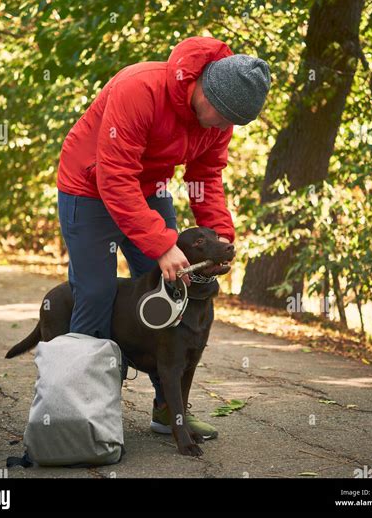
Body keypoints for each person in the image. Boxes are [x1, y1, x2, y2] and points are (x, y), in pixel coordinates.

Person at [56, 35, 271, 439]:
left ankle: (168, 411)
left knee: (175, 288)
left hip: (149, 188)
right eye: (223, 116)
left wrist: (222, 238)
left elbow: (205, 179)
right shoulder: (138, 89)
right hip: (88, 186)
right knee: (97, 293)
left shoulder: (218, 121)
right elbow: (115, 178)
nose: (224, 127)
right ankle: (79, 418)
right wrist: (160, 245)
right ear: (205, 87)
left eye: (232, 123)